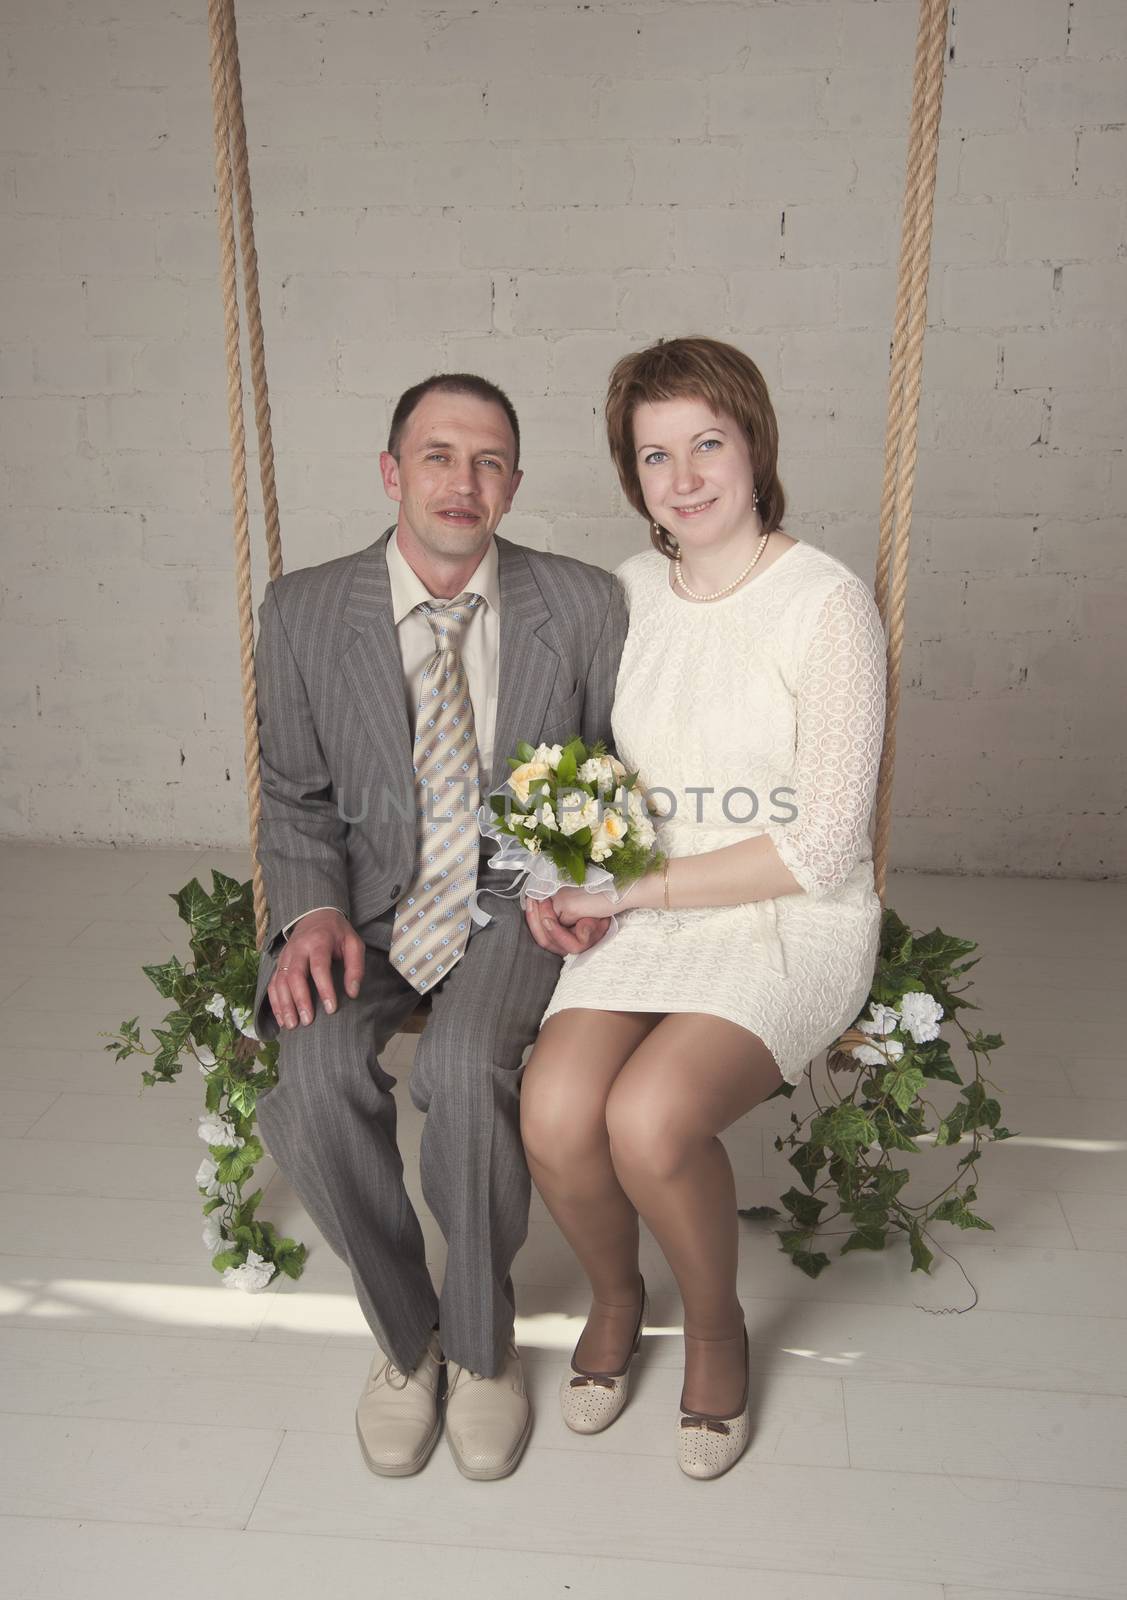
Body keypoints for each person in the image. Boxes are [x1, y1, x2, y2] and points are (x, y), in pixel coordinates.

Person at [520, 336, 886, 1480]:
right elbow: (589, 776)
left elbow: (820, 841)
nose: (683, 477)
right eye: (654, 454)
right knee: (554, 1106)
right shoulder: (625, 593)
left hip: (787, 915)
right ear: (631, 479)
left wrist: (637, 887)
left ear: (753, 445)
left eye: (706, 444)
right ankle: (618, 1296)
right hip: (647, 906)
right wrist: (559, 885)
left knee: (649, 1119)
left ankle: (716, 1328)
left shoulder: (824, 604)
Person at [250, 372, 627, 1480]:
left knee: (464, 1068)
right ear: (390, 472)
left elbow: (606, 769)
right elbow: (293, 794)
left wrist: (572, 877)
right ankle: (408, 1339)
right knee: (311, 1073)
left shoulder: (582, 603)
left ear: (513, 482)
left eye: (488, 460)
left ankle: (481, 1343)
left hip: (512, 899)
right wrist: (312, 907)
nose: (462, 482)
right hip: (361, 904)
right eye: (436, 456)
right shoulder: (304, 609)